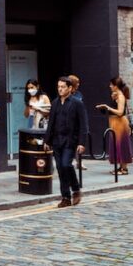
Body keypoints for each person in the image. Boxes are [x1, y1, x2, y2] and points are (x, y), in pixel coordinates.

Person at [46, 77, 88, 207]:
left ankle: (75, 189)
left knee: (66, 165)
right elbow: (51, 123)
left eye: (63, 87)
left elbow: (83, 125)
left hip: (70, 140)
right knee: (60, 168)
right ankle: (65, 197)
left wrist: (82, 143)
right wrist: (47, 140)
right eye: (58, 86)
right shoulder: (55, 103)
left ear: (70, 88)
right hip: (57, 140)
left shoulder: (77, 103)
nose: (60, 89)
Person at [97, 77, 133, 175]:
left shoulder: (120, 96)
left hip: (120, 123)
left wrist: (107, 107)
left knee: (121, 144)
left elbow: (120, 112)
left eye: (111, 85)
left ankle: (124, 169)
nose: (110, 86)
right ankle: (120, 167)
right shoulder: (117, 95)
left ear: (116, 86)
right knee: (117, 145)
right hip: (115, 122)